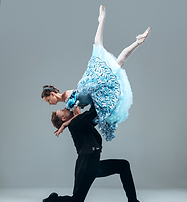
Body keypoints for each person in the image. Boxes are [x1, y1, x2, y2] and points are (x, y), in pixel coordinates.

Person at [41, 5, 151, 141]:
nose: (50, 103)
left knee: (108, 55)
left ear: (52, 94)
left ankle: (106, 23)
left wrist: (64, 125)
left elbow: (79, 118)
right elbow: (78, 118)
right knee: (113, 59)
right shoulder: (67, 101)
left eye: (48, 100)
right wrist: (64, 124)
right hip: (93, 86)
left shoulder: (69, 100)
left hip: (94, 85)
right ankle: (134, 39)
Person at [42, 105, 144, 202]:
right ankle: (54, 198)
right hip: (85, 166)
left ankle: (132, 201)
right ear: (64, 118)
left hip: (93, 164)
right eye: (63, 110)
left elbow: (95, 116)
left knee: (123, 165)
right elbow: (92, 112)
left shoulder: (81, 123)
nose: (66, 108)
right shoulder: (75, 124)